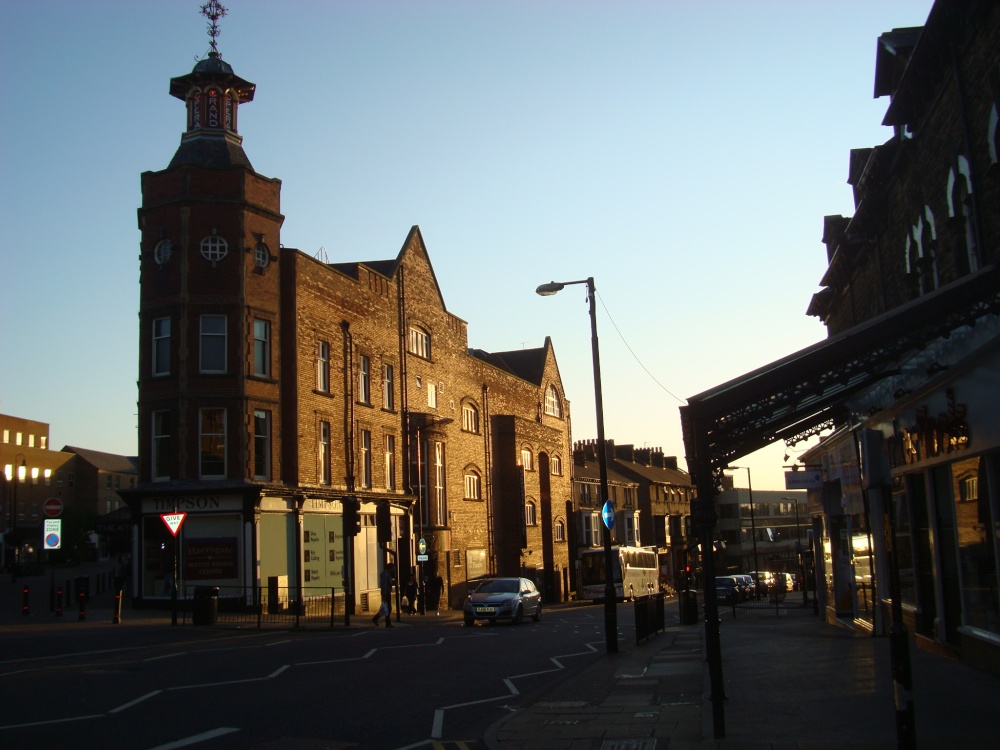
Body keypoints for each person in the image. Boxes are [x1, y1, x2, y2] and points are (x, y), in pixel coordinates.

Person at [372, 564, 394, 628]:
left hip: (387, 592)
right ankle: (379, 620)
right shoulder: (386, 574)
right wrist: (384, 594)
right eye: (393, 567)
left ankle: (386, 622)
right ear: (390, 568)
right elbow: (384, 584)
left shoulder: (388, 574)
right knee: (387, 608)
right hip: (386, 593)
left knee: (387, 608)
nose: (394, 569)